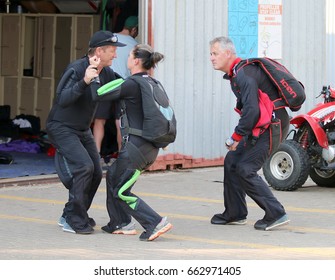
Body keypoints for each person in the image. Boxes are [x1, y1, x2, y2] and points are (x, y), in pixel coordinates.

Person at [45, 30, 126, 234]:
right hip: (61, 126)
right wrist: (85, 82)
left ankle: (72, 214)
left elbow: (123, 87)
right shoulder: (77, 68)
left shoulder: (107, 72)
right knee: (83, 167)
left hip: (81, 129)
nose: (115, 55)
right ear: (99, 51)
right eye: (112, 51)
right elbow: (62, 99)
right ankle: (74, 218)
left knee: (97, 172)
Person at [90, 44, 173, 241]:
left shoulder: (132, 84)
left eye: (129, 55)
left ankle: (154, 222)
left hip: (137, 148)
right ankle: (120, 222)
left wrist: (92, 73)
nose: (126, 58)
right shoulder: (152, 82)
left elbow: (98, 94)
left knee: (121, 191)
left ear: (136, 61)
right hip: (148, 147)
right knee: (113, 175)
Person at [209, 36, 290, 231]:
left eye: (214, 53)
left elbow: (252, 111)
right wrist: (240, 136)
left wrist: (236, 137)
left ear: (228, 54)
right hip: (261, 125)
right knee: (232, 161)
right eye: (210, 54)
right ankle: (235, 213)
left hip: (272, 126)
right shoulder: (238, 73)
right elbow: (250, 110)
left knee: (246, 168)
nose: (211, 58)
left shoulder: (243, 74)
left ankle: (276, 213)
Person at [93, 16, 139, 159]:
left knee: (99, 121)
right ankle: (121, 157)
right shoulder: (135, 44)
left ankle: (96, 156)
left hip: (105, 83)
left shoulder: (111, 38)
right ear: (134, 30)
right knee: (120, 122)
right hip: (122, 85)